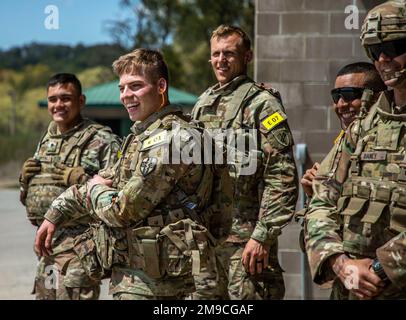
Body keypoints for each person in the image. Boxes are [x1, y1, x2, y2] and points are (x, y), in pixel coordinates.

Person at [34, 48, 233, 300]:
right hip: (141, 278)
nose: (126, 95)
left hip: (159, 286)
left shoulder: (172, 141)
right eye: (122, 88)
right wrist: (56, 213)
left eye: (136, 86)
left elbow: (122, 210)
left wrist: (95, 188)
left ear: (161, 85)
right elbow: (109, 179)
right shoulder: (144, 137)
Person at [305, 0, 406, 299]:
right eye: (375, 51)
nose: (384, 58)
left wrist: (377, 270)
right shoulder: (363, 127)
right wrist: (341, 264)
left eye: (394, 46)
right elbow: (321, 201)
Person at [191, 24, 298, 300]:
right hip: (206, 244)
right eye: (216, 54)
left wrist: (263, 236)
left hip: (247, 245)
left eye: (229, 53)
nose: (221, 60)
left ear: (247, 57)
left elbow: (282, 176)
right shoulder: (203, 103)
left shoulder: (262, 104)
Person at [19, 73, 121, 299]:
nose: (58, 105)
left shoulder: (102, 139)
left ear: (81, 101)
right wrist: (24, 182)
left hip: (80, 250)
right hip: (47, 247)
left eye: (65, 98)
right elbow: (33, 194)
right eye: (53, 99)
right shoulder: (47, 140)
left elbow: (118, 196)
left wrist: (83, 179)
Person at [301, 62, 387, 198]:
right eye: (336, 96)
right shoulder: (343, 140)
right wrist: (316, 191)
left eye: (349, 94)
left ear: (377, 96)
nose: (340, 104)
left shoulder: (391, 140)